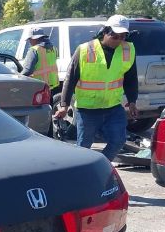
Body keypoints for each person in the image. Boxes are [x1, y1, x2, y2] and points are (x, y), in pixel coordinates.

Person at [53, 15, 138, 161]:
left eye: (122, 37)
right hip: (88, 110)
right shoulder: (85, 50)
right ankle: (80, 172)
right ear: (105, 31)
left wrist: (132, 101)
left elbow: (130, 78)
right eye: (115, 36)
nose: (118, 40)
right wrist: (64, 105)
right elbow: (70, 78)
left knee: (118, 141)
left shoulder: (128, 50)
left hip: (113, 107)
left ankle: (100, 165)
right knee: (84, 147)